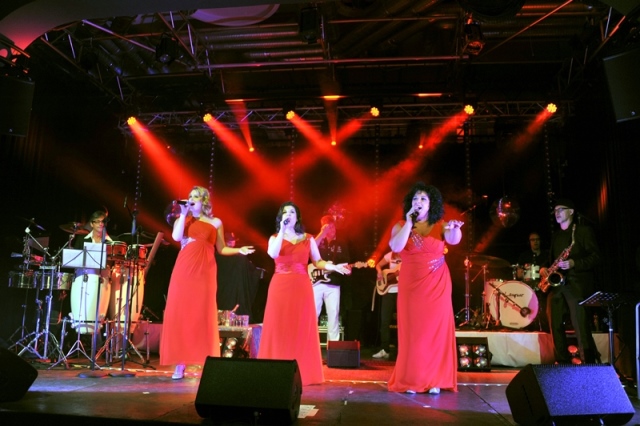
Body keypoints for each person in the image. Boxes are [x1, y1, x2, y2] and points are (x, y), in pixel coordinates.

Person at [160, 186, 255, 379]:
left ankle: (205, 360)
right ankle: (180, 363)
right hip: (185, 269)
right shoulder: (183, 219)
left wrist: (239, 250)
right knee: (182, 312)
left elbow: (222, 248)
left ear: (204, 201)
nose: (191, 199)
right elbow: (176, 237)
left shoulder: (215, 222)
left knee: (202, 313)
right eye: (189, 196)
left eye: (195, 196)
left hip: (206, 271)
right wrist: (184, 213)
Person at [258, 202, 350, 386]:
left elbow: (318, 261)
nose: (288, 214)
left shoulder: (308, 238)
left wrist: (333, 266)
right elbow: (273, 254)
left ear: (297, 217)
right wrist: (282, 230)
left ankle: (302, 371)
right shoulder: (275, 237)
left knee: (300, 326)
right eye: (285, 212)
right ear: (281, 217)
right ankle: (274, 369)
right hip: (280, 285)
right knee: (278, 325)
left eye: (292, 212)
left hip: (301, 285)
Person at [387, 182, 463, 395]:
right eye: (415, 199)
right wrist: (409, 222)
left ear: (431, 204)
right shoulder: (401, 225)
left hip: (437, 283)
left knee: (434, 331)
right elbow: (396, 246)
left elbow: (453, 240)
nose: (418, 202)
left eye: (423, 199)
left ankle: (434, 379)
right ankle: (412, 379)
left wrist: (455, 229)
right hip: (411, 284)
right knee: (414, 333)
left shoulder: (440, 224)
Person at [540, 198, 601, 364]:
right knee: (554, 324)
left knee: (580, 325)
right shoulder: (556, 236)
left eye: (561, 209)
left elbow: (596, 257)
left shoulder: (583, 231)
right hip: (557, 285)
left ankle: (588, 362)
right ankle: (561, 361)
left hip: (576, 284)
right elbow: (551, 259)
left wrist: (575, 263)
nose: (557, 213)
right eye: (555, 210)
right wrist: (544, 267)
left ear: (571, 211)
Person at [312, 215, 351, 342]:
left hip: (334, 283)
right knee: (313, 313)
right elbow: (309, 251)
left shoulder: (341, 243)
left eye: (333, 227)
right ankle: (310, 342)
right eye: (328, 227)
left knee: (333, 313)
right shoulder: (317, 240)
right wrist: (322, 234)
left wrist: (348, 270)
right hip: (316, 282)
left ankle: (333, 345)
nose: (332, 230)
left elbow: (346, 263)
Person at [516, 231, 549, 332]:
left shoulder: (546, 255)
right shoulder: (524, 256)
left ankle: (545, 328)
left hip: (544, 287)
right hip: (528, 287)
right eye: (533, 240)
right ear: (529, 242)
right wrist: (520, 273)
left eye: (537, 239)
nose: (535, 242)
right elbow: (519, 274)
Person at [372, 250, 401, 359]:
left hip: (402, 292)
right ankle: (385, 349)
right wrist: (379, 272)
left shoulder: (408, 254)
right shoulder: (390, 255)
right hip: (388, 291)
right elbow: (378, 265)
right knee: (385, 321)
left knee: (402, 322)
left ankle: (402, 350)